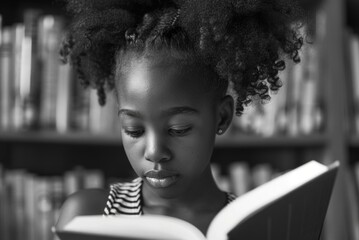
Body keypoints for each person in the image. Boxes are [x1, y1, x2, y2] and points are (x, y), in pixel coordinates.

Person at [56, 0, 305, 234]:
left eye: (178, 128)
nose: (154, 152)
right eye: (133, 129)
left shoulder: (253, 230)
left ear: (222, 117)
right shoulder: (89, 217)